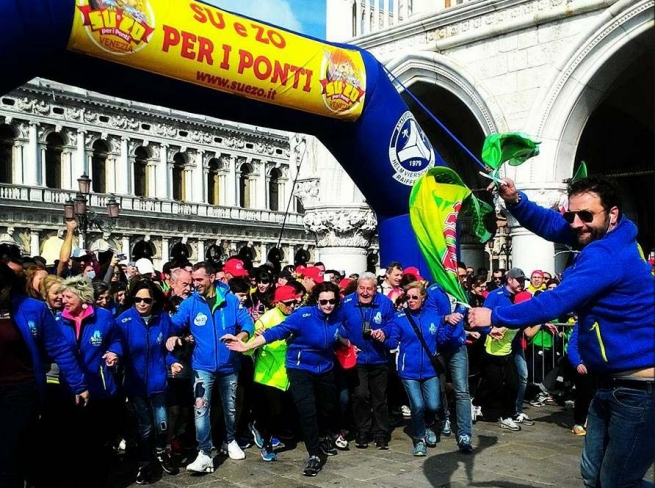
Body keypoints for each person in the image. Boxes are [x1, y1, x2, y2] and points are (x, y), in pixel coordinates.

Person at [469, 175, 654, 488]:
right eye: (572, 214)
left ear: (612, 214)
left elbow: (554, 302)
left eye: (586, 215)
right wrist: (516, 202)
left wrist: (494, 314)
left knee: (617, 482)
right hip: (610, 384)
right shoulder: (612, 235)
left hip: (637, 390)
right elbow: (553, 225)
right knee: (592, 476)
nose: (576, 223)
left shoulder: (605, 255)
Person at [222, 282, 347, 478]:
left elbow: (346, 331)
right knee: (307, 411)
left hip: (325, 367)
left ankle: (322, 437)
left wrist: (351, 343)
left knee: (328, 406)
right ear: (317, 300)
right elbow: (275, 332)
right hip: (300, 368)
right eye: (324, 301)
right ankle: (313, 454)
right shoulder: (303, 315)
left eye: (332, 301)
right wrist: (247, 346)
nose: (328, 305)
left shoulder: (339, 314)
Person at [0, 263, 88, 488]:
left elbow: (58, 347)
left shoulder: (32, 309)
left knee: (9, 451)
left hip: (20, 389)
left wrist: (78, 383)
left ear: (9, 286)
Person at [166, 261, 254, 473]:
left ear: (212, 277)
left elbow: (247, 323)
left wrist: (240, 337)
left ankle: (230, 440)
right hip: (201, 367)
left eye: (199, 279)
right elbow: (174, 324)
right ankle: (204, 452)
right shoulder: (191, 304)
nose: (195, 284)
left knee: (230, 408)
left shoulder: (231, 300)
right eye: (193, 280)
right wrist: (172, 335)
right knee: (201, 409)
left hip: (229, 366)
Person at [375, 281, 461, 457]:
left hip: (430, 370)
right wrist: (381, 337)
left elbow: (442, 339)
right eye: (408, 297)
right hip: (409, 371)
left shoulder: (433, 316)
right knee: (418, 405)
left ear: (423, 298)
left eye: (415, 297)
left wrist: (451, 325)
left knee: (433, 405)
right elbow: (393, 342)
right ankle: (419, 438)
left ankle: (428, 425)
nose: (411, 300)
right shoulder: (399, 318)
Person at [117, 279, 180, 484]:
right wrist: (114, 354)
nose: (142, 303)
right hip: (135, 384)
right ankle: (144, 463)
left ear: (154, 301)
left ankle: (161, 452)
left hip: (158, 382)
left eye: (147, 300)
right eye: (138, 299)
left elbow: (167, 348)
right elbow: (118, 346)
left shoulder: (162, 318)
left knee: (162, 425)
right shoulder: (124, 320)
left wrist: (173, 361)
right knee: (145, 427)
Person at [339, 272, 396, 450]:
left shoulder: (385, 303)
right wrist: (346, 343)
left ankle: (381, 433)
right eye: (361, 288)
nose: (365, 293)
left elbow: (393, 324)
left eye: (369, 289)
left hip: (379, 357)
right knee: (360, 395)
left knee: (380, 398)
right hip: (358, 358)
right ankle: (362, 430)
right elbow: (338, 325)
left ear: (375, 289)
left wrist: (384, 332)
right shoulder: (346, 303)